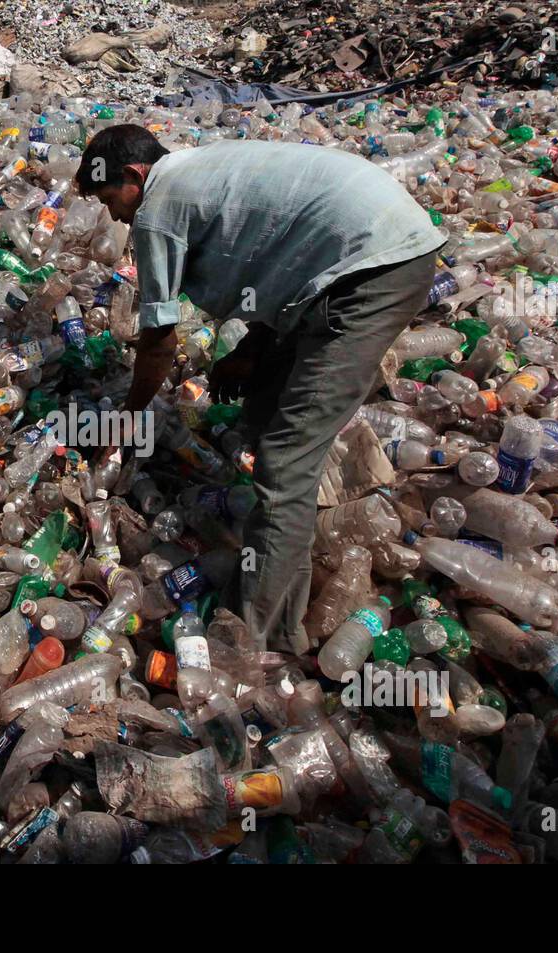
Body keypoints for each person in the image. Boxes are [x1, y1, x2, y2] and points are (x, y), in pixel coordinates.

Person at [77, 125, 444, 654]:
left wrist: (125, 419)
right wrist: (251, 350)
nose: (114, 216)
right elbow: (285, 253)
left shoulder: (158, 206)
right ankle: (296, 540)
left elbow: (158, 340)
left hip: (371, 271)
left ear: (136, 177)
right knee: (268, 405)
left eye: (112, 199)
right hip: (375, 251)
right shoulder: (202, 167)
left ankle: (254, 637)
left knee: (286, 458)